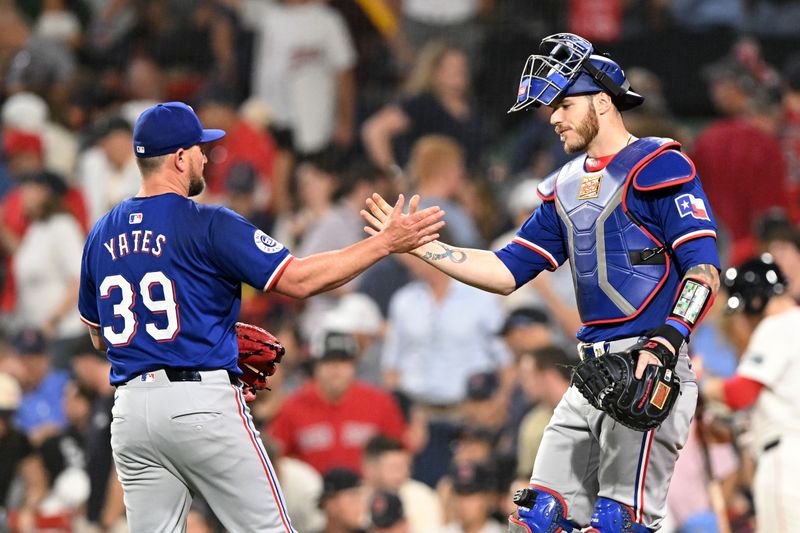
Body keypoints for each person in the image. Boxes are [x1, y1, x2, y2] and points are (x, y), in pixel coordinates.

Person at [363, 33, 721, 532]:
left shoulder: (659, 165)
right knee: (537, 518)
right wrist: (421, 247)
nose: (552, 116)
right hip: (592, 372)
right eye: (550, 106)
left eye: (563, 103)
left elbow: (704, 270)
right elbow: (506, 270)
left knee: (618, 523)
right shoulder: (566, 185)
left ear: (603, 100)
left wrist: (667, 340)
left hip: (649, 367)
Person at [77, 101, 444, 532]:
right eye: (199, 150)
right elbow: (302, 280)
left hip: (131, 412)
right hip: (199, 401)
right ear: (179, 157)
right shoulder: (207, 222)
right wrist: (385, 243)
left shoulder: (101, 233)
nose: (204, 158)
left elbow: (100, 339)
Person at [702, 255, 800, 532]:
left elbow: (740, 393)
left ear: (756, 301)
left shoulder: (778, 325)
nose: (742, 321)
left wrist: (703, 385)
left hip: (787, 461)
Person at [268, 331, 407, 475]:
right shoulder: (293, 406)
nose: (336, 369)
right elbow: (276, 457)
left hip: (366, 491)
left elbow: (400, 452)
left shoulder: (380, 403)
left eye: (343, 362)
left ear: (354, 366)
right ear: (316, 366)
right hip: (314, 493)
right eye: (328, 362)